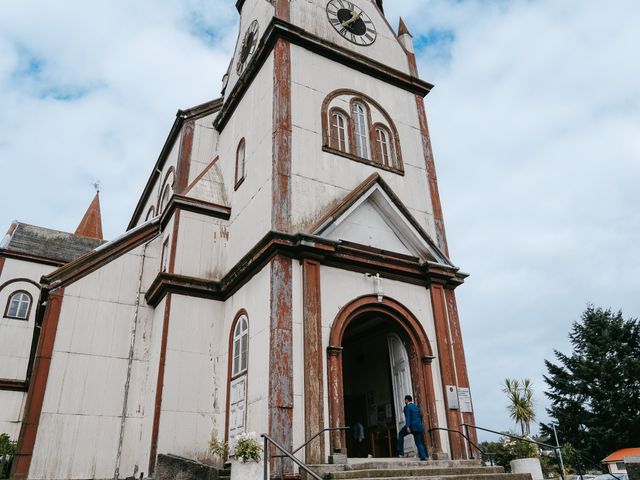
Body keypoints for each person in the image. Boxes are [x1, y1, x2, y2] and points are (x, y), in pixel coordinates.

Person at [397, 395, 428, 461]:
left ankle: (401, 451)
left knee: (400, 434)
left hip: (411, 426)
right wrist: (420, 424)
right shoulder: (416, 407)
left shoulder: (407, 407)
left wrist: (407, 426)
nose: (405, 401)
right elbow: (421, 416)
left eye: (405, 400)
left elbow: (408, 417)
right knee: (419, 442)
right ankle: (423, 456)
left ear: (406, 400)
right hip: (419, 426)